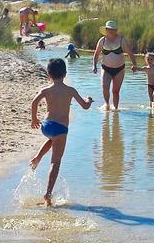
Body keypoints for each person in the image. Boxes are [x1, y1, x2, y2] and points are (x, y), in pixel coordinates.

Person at [30, 58, 94, 206]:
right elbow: (84, 106)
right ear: (65, 73)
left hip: (46, 126)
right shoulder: (70, 90)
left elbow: (34, 102)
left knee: (52, 140)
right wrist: (89, 100)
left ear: (49, 74)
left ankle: (37, 158)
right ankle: (48, 193)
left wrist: (34, 119)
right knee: (55, 161)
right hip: (60, 128)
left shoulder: (46, 90)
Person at [92, 20, 137, 111]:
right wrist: (94, 66)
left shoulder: (121, 40)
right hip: (106, 68)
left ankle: (116, 109)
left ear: (115, 30)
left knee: (115, 91)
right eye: (109, 29)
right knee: (105, 87)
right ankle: (107, 105)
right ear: (106, 30)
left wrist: (134, 64)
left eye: (113, 29)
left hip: (119, 69)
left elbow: (130, 53)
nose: (111, 31)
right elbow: (96, 54)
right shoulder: (102, 40)